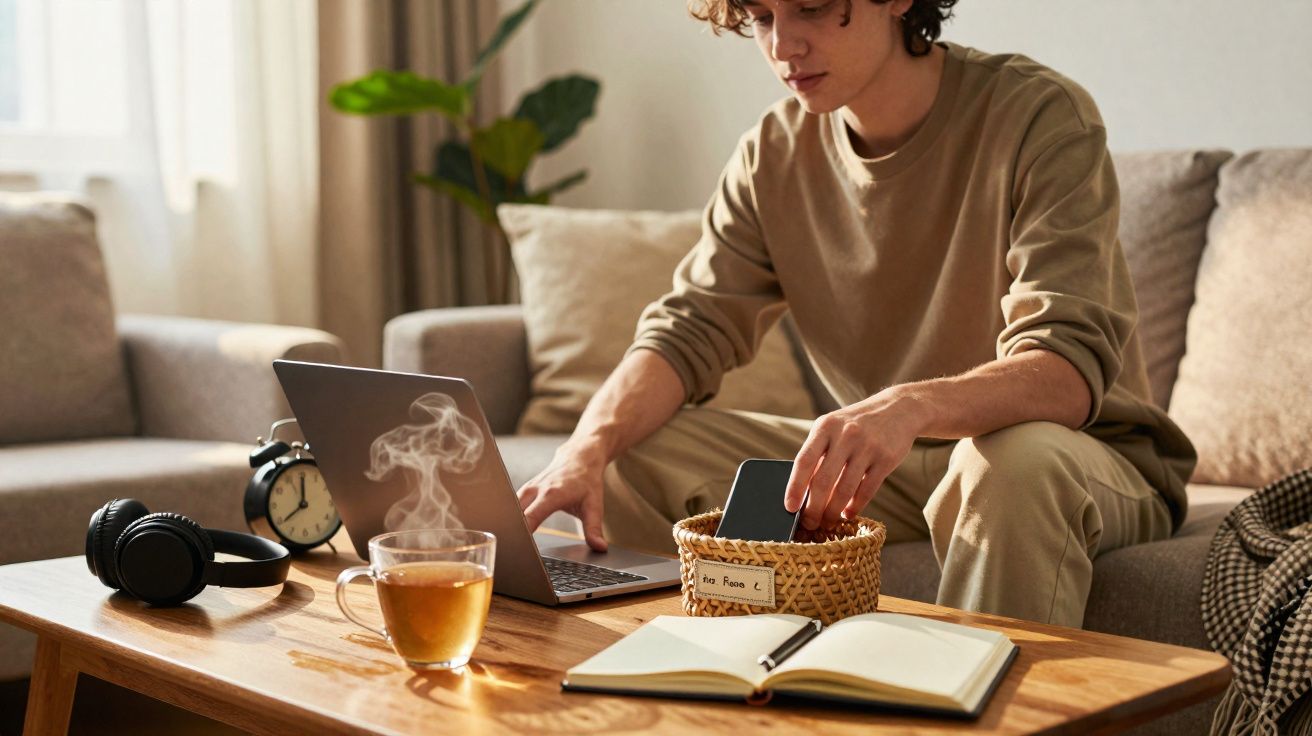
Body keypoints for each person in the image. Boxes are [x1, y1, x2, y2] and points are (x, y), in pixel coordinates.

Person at [515, 0, 1197, 628]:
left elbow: (1066, 370)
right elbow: (689, 329)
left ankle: (974, 703)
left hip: (1074, 457)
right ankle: (694, 685)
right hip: (892, 469)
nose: (783, 45)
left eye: (811, 8)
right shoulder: (772, 153)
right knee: (629, 452)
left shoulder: (1040, 116)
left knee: (1006, 466)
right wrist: (583, 449)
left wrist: (908, 407)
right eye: (761, 17)